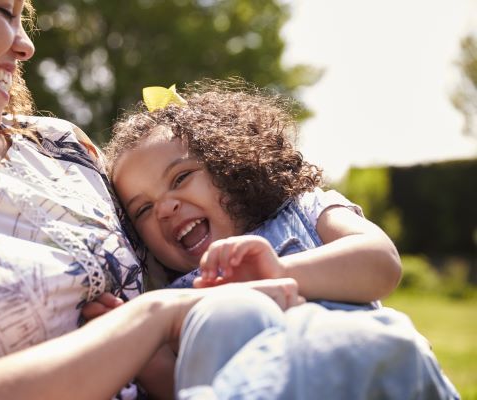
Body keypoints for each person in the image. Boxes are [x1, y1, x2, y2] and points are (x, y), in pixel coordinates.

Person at [0, 2, 458, 400]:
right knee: (360, 351)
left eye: (24, 15)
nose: (26, 44)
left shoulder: (55, 144)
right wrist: (148, 323)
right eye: (4, 12)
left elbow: (373, 260)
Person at [104, 80, 401, 308]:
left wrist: (277, 271)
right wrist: (136, 342)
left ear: (228, 163)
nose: (165, 208)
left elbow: (382, 262)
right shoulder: (176, 299)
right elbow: (178, 383)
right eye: (142, 209)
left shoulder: (304, 209)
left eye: (180, 178)